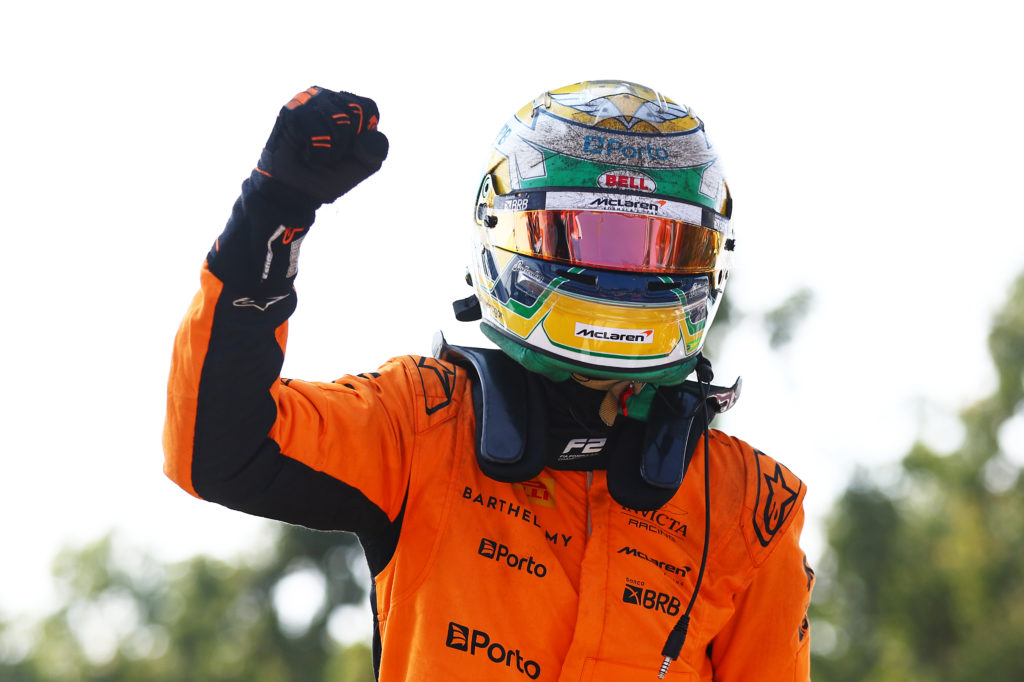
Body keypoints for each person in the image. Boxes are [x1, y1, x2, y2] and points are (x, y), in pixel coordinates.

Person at [164, 80, 814, 681]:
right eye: (585, 238)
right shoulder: (423, 424)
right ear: (506, 236)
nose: (622, 278)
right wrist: (273, 214)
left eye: (654, 248)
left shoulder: (747, 510)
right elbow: (218, 449)